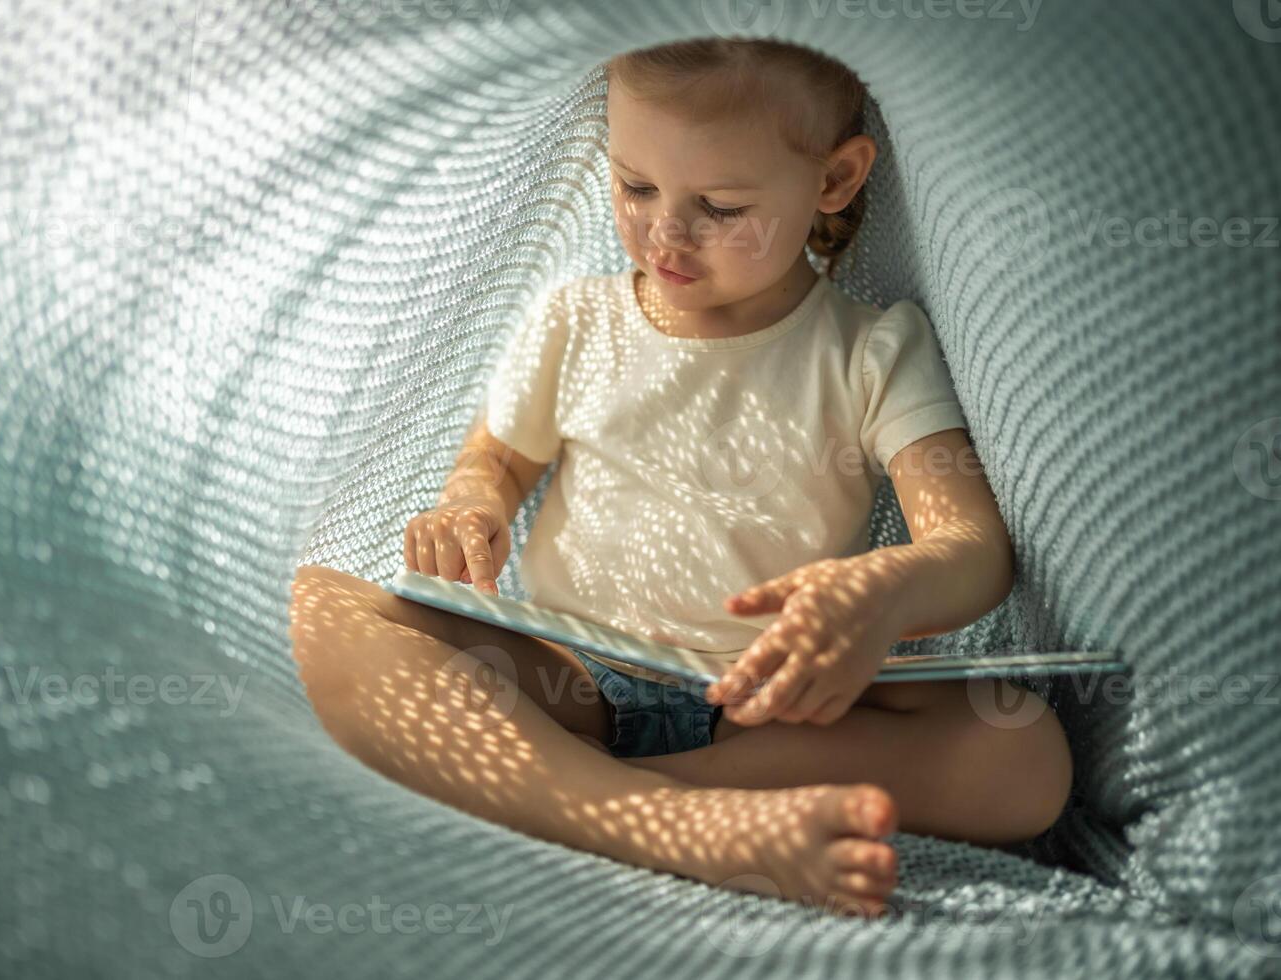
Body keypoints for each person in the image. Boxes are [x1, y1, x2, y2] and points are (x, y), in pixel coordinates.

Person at [290, 38, 1072, 918]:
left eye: (721, 205)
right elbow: (497, 460)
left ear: (835, 180)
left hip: (768, 708)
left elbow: (971, 549)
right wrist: (472, 504)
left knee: (1024, 753)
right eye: (635, 187)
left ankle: (609, 795)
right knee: (320, 609)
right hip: (568, 672)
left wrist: (885, 592)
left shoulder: (872, 348)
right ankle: (661, 821)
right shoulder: (575, 320)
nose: (665, 231)